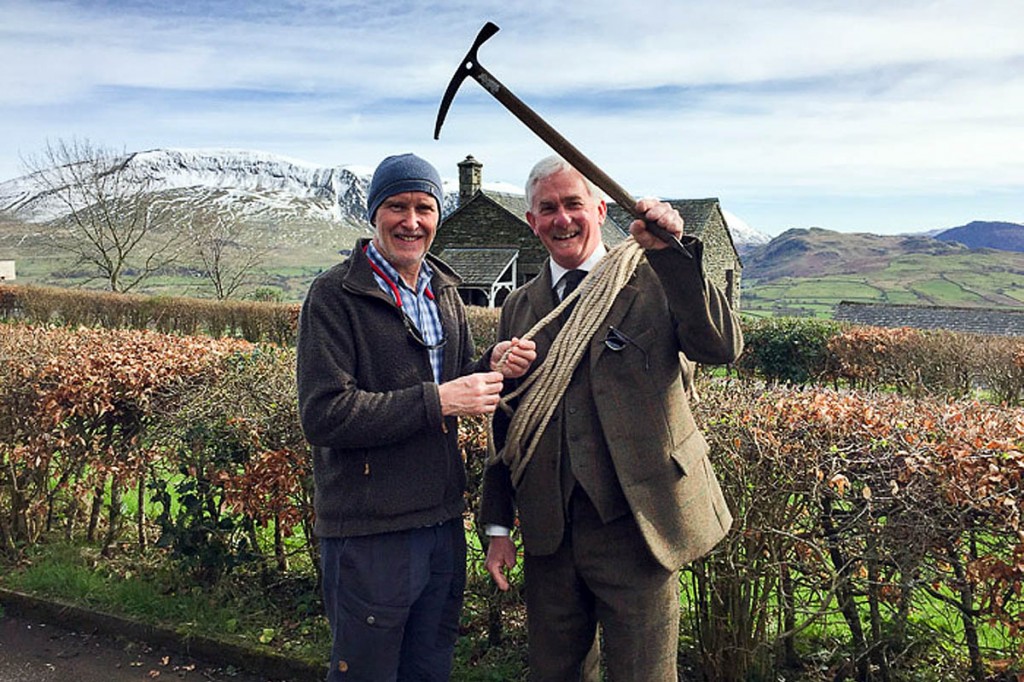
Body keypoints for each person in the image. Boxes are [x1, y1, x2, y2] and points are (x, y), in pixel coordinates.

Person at [480, 156, 743, 681]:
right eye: (548, 209)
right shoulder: (519, 307)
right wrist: (496, 524)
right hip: (550, 532)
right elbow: (508, 427)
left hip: (638, 528)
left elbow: (721, 346)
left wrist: (674, 254)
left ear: (600, 209)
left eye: (574, 204)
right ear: (532, 222)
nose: (563, 219)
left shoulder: (655, 281)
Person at [296, 152, 536, 682]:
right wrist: (443, 400)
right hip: (370, 528)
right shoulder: (334, 296)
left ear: (438, 215)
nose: (411, 221)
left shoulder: (442, 290)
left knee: (429, 670)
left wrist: (487, 366)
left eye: (424, 208)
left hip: (440, 521)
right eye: (397, 207)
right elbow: (324, 414)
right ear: (373, 213)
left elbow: (451, 378)